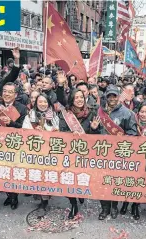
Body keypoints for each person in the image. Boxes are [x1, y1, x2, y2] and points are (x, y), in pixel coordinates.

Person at [59, 89, 101, 219]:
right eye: (76, 97)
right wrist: (70, 135)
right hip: (69, 152)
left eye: (81, 97)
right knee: (68, 179)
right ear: (72, 99)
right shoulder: (65, 114)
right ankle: (73, 204)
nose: (79, 99)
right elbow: (61, 132)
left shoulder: (91, 113)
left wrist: (94, 128)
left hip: (85, 153)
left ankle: (81, 192)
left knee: (82, 177)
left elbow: (96, 137)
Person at [98, 85, 138, 220]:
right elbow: (92, 134)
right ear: (106, 97)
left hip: (118, 154)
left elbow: (133, 134)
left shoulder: (127, 113)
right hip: (101, 153)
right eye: (109, 96)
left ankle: (114, 206)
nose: (111, 98)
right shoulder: (99, 112)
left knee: (114, 181)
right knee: (102, 182)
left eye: (114, 96)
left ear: (118, 97)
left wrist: (123, 139)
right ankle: (105, 208)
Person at [0, 82, 27, 210]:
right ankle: (8, 194)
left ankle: (14, 196)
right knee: (3, 170)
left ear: (16, 95)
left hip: (14, 145)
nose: (6, 94)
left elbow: (24, 128)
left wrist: (11, 123)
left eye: (10, 92)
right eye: (4, 91)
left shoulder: (22, 108)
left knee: (13, 171)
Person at [22, 93, 59, 215]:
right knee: (37, 176)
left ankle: (44, 203)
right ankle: (39, 195)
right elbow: (24, 132)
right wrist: (34, 132)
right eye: (40, 102)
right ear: (35, 103)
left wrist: (54, 131)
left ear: (49, 103)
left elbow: (60, 133)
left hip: (49, 153)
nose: (43, 104)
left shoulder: (54, 116)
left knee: (46, 177)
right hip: (35, 151)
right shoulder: (30, 116)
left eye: (45, 102)